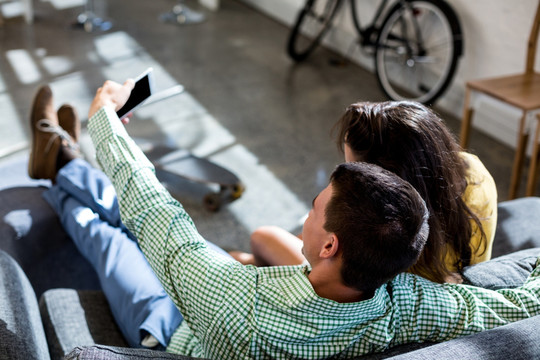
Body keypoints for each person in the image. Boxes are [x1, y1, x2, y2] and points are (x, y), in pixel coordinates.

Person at [28, 80, 540, 359]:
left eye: (317, 206)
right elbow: (509, 301)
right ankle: (63, 159)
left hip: (174, 331)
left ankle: (61, 170)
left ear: (330, 245)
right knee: (137, 233)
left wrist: (106, 121)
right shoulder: (410, 302)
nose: (309, 210)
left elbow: (155, 209)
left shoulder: (231, 299)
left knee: (116, 241)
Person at [231, 101, 497, 284]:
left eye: (357, 171)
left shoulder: (388, 231)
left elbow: (333, 264)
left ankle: (251, 263)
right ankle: (253, 262)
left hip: (362, 291)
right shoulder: (473, 170)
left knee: (263, 237)